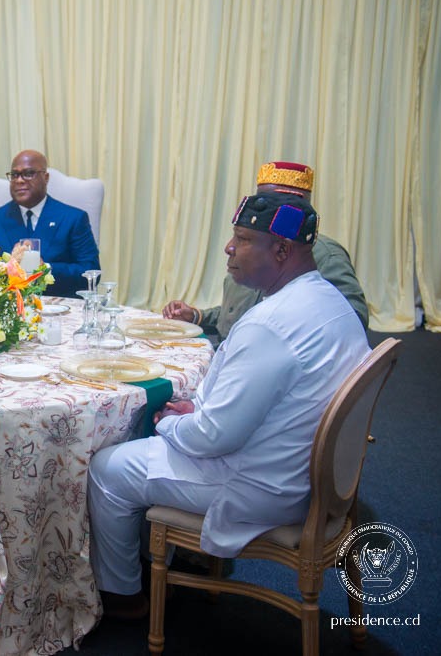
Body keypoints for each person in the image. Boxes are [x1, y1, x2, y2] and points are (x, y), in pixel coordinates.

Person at [88, 191, 370, 619]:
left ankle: (123, 597)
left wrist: (164, 422)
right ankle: (153, 561)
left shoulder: (270, 324)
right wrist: (200, 412)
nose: (228, 248)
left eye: (242, 238)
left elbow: (212, 437)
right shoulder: (330, 302)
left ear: (280, 250)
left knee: (108, 467)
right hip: (313, 474)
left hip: (264, 487)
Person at [163, 162, 368, 340]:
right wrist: (198, 316)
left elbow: (351, 321)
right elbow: (237, 313)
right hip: (229, 344)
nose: (269, 209)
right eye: (263, 200)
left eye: (282, 202)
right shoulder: (251, 249)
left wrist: (273, 337)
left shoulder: (324, 254)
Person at [0, 149, 100, 298]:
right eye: (14, 175)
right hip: (9, 309)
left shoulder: (73, 218)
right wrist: (8, 268)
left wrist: (45, 269)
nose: (19, 180)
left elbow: (91, 272)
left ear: (45, 178)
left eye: (28, 173)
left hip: (61, 309)